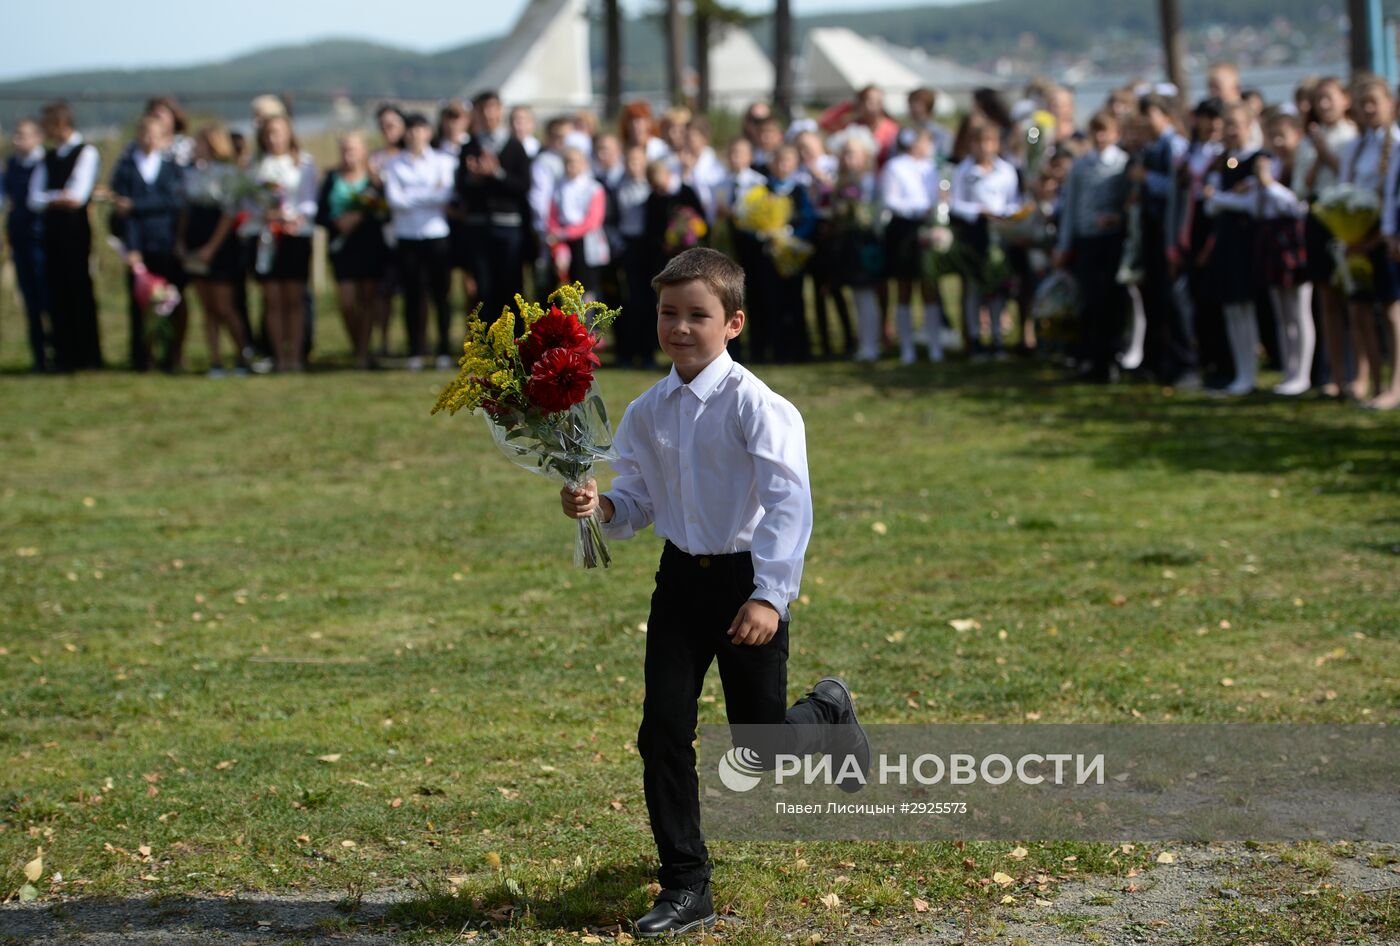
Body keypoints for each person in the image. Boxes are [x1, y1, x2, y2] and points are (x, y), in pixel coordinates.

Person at [558, 246, 870, 938]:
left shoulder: (758, 406)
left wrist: (770, 596)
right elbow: (638, 498)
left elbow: (791, 505)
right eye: (669, 313)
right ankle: (685, 883)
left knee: (760, 744)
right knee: (662, 731)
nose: (679, 327)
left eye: (697, 315)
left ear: (733, 322)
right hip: (679, 584)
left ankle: (824, 713)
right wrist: (601, 508)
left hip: (745, 582)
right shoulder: (647, 409)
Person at [1054, 110, 1130, 383]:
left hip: (1112, 241)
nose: (1100, 137)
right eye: (1095, 131)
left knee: (1112, 301)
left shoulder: (1122, 164)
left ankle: (1111, 357)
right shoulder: (1081, 166)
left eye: (1105, 131)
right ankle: (1088, 357)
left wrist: (1118, 219)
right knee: (1088, 300)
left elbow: (1129, 204)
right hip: (1086, 241)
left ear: (1116, 134)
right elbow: (1070, 206)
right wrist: (1064, 244)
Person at [238, 113, 317, 372]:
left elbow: (308, 200)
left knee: (293, 299)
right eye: (269, 132)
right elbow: (247, 202)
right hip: (265, 236)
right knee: (272, 299)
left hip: (295, 235)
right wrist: (266, 214)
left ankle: (295, 355)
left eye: (279, 131)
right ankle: (277, 356)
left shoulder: (303, 162)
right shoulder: (254, 165)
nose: (274, 138)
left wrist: (294, 217)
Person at [28, 100, 102, 372]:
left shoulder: (85, 152)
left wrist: (53, 198)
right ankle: (64, 354)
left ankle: (87, 355)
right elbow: (33, 199)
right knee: (56, 292)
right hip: (53, 234)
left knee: (79, 290)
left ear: (60, 124)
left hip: (75, 232)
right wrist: (57, 198)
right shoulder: (47, 157)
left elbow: (77, 196)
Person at [110, 113, 188, 372]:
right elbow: (121, 212)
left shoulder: (171, 168)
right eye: (144, 133)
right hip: (138, 247)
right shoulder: (126, 168)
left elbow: (174, 202)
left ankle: (172, 355)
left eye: (155, 134)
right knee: (140, 303)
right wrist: (130, 248)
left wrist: (136, 205)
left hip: (165, 243)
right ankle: (143, 358)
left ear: (164, 138)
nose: (149, 139)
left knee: (170, 301)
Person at [1336, 75, 1397, 402]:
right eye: (1363, 104)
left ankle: (1396, 384)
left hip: (1383, 236)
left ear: (1391, 104)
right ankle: (1372, 380)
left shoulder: (1397, 143)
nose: (1369, 109)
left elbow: (1391, 196)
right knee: (1359, 309)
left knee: (1391, 310)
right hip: (1355, 236)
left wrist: (1378, 235)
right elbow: (1345, 192)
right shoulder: (1355, 147)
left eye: (1375, 102)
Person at [1294, 77, 1356, 395]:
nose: (1324, 105)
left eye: (1329, 98)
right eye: (1319, 100)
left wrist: (1326, 152)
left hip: (1348, 217)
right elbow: (1301, 187)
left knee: (1353, 300)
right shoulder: (1308, 140)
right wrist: (1317, 154)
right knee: (1327, 300)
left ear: (1345, 100)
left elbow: (1352, 177)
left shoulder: (1352, 137)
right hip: (1317, 215)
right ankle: (1334, 374)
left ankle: (1358, 373)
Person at [1201, 102, 1267, 396]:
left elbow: (1251, 204)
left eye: (1235, 126)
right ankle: (1239, 371)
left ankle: (1250, 373)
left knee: (1245, 307)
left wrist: (1221, 198)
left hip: (1247, 241)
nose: (1230, 132)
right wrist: (1225, 198)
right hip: (1225, 242)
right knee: (1231, 309)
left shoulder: (1257, 159)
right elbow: (1208, 204)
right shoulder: (1222, 161)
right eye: (1226, 126)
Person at [384, 112, 456, 371]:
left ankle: (444, 349)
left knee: (441, 295)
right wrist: (428, 193)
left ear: (428, 132)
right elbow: (395, 200)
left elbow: (445, 194)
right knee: (413, 295)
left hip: (436, 235)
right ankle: (415, 349)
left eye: (420, 129)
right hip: (407, 236)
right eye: (411, 130)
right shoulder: (394, 164)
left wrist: (412, 194)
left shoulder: (443, 161)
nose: (416, 134)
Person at [177, 124, 249, 376]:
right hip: (196, 238)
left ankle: (242, 355)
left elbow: (228, 214)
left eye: (199, 143)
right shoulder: (191, 173)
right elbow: (187, 209)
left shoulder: (228, 173)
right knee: (207, 305)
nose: (195, 148)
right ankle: (215, 359)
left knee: (224, 305)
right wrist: (181, 241)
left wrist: (211, 248)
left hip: (219, 243)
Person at [1136, 93, 1196, 385]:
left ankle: (1183, 363)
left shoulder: (1175, 146)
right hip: (1152, 231)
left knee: (1174, 301)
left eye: (1150, 114)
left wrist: (1146, 177)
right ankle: (1159, 362)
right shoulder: (1151, 147)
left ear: (1167, 116)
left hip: (1169, 232)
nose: (1145, 121)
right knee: (1156, 299)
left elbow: (1175, 191)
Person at [317, 131, 389, 369]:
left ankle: (363, 352)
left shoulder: (375, 181)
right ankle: (357, 344)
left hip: (369, 245)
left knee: (368, 300)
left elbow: (385, 213)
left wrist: (362, 215)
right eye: (345, 149)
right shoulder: (331, 179)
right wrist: (337, 222)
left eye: (354, 149)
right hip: (342, 247)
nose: (349, 154)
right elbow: (320, 214)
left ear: (364, 151)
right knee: (347, 302)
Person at [948, 121, 1020, 358]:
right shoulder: (963, 171)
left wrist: (1003, 214)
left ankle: (998, 337)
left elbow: (1013, 201)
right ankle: (976, 338)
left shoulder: (1007, 170)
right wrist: (978, 210)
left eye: (990, 141)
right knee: (974, 287)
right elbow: (955, 203)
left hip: (999, 232)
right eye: (979, 142)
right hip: (974, 233)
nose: (984, 147)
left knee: (998, 287)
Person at [457, 90, 531, 325]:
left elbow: (523, 186)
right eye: (482, 109)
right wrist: (475, 178)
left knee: (511, 288)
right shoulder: (469, 147)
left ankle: (516, 348)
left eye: (493, 107)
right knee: (483, 288)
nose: (488, 114)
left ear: (500, 110)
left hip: (509, 228)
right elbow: (460, 188)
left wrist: (496, 174)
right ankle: (487, 347)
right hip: (478, 227)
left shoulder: (515, 146)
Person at [1257, 111, 1314, 396]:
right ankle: (1289, 370)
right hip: (1272, 238)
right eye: (1272, 136)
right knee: (1281, 312)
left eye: (1283, 136)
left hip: (1294, 239)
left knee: (1299, 309)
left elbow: (1297, 205)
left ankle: (1303, 373)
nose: (1277, 142)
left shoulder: (1301, 163)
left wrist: (1269, 185)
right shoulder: (1273, 164)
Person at [879, 125, 940, 364]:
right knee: (904, 288)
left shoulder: (933, 167)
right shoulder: (895, 166)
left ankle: (934, 347)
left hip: (927, 226)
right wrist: (918, 208)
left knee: (930, 286)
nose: (926, 146)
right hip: (903, 230)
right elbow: (890, 200)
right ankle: (907, 348)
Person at [3, 117, 50, 372]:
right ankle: (39, 357)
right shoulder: (11, 165)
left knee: (47, 298)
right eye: (15, 134)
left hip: (42, 240)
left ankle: (57, 351)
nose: (16, 139)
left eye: (22, 135)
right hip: (20, 238)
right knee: (30, 301)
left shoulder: (46, 163)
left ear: (37, 137)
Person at [546, 147, 609, 294]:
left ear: (584, 164)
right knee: (566, 289)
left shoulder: (594, 188)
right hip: (564, 243)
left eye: (574, 162)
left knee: (588, 289)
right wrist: (559, 245)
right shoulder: (558, 188)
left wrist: (565, 233)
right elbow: (552, 218)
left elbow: (593, 221)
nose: (570, 166)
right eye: (567, 162)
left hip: (587, 243)